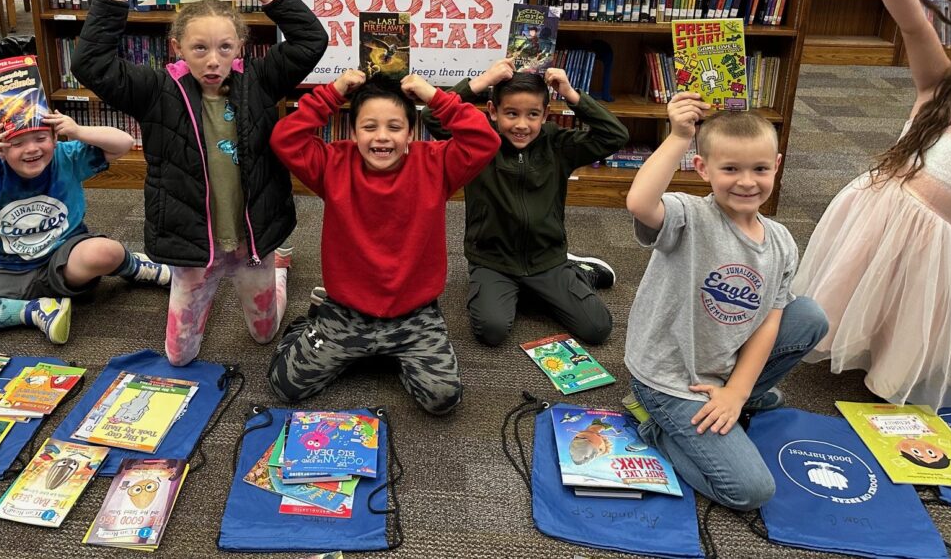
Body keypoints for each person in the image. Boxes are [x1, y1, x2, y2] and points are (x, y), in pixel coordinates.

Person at [72, 0, 327, 365]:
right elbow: (90, 65)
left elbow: (311, 39)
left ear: (240, 46)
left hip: (252, 242)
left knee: (264, 336)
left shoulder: (260, 81)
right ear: (177, 48)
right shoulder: (156, 91)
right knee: (179, 357)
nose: (213, 60)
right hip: (193, 246)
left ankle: (279, 270)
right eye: (199, 48)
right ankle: (259, 269)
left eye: (225, 47)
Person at [791, 0, 951, 409]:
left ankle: (890, 373)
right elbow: (913, 24)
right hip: (878, 211)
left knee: (911, 315)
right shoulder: (942, 88)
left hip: (940, 241)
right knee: (857, 291)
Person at [622, 93, 829, 510]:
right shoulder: (689, 217)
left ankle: (736, 399)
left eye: (759, 169)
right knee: (751, 491)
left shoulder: (782, 241)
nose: (747, 182)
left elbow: (770, 322)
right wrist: (679, 137)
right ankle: (656, 425)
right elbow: (640, 203)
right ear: (703, 168)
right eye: (730, 169)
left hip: (721, 365)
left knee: (809, 316)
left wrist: (737, 391)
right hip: (669, 378)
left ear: (777, 165)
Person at [267, 70, 500, 415]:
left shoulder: (436, 163)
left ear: (411, 132)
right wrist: (332, 93)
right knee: (284, 386)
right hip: (346, 311)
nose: (382, 137)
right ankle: (312, 323)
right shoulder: (333, 163)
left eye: (394, 127)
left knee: (443, 400)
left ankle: (393, 355)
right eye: (369, 126)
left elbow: (485, 140)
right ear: (352, 132)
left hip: (414, 316)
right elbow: (285, 138)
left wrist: (435, 96)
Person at [0, 110, 170, 345]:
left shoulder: (66, 157)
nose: (31, 149)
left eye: (40, 138)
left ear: (55, 139)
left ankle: (135, 267)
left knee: (104, 251)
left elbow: (124, 142)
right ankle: (36, 311)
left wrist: (78, 131)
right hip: (10, 269)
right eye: (17, 143)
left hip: (66, 261)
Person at [420, 59, 627, 347]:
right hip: (493, 260)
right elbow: (431, 116)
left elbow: (616, 136)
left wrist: (571, 94)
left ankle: (578, 271)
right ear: (493, 111)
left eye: (532, 115)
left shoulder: (558, 144)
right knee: (491, 332)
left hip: (546, 259)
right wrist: (483, 80)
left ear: (545, 114)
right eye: (511, 113)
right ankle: (530, 291)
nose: (521, 125)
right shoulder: (478, 141)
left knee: (597, 329)